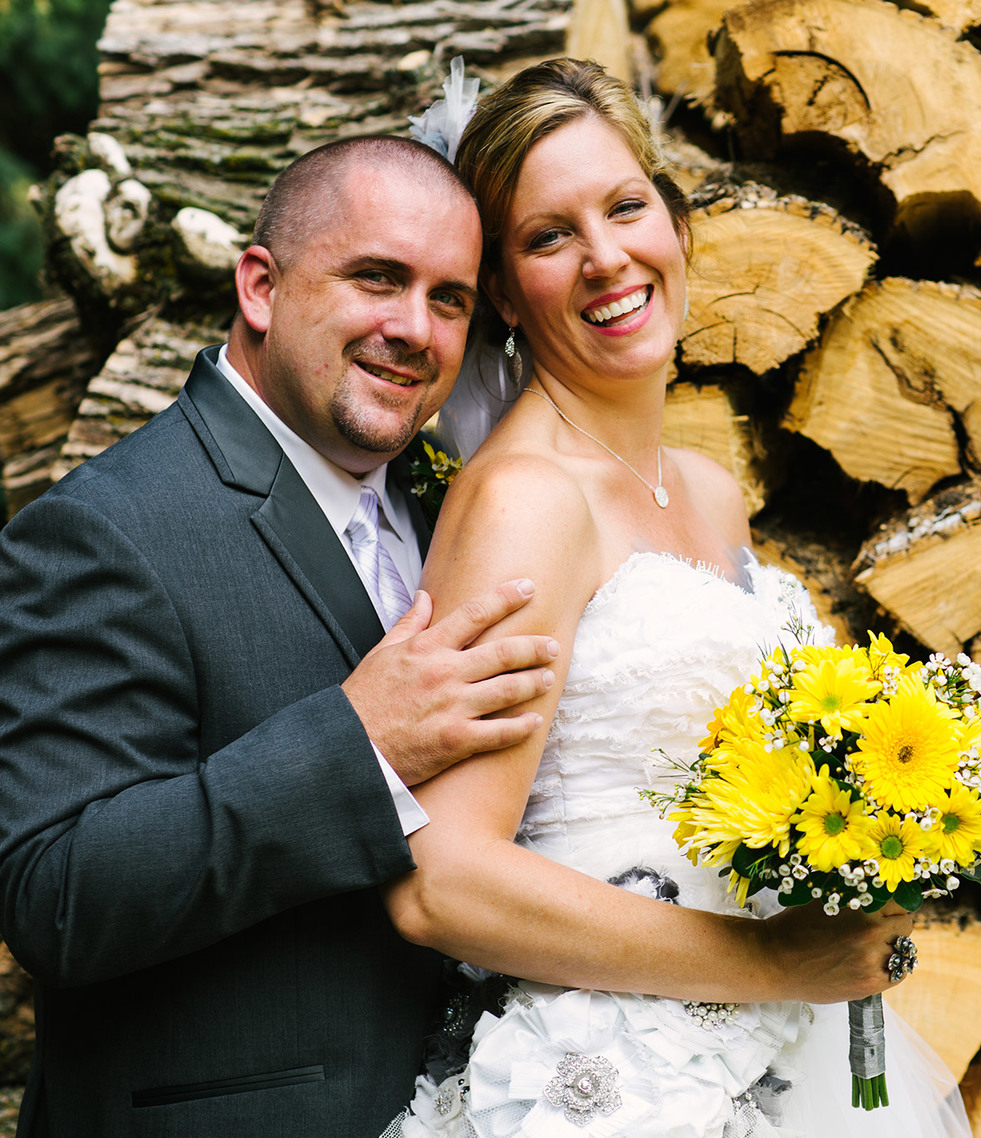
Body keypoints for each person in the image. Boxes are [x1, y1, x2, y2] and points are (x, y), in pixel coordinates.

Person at [377, 59, 968, 1137]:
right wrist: (768, 962)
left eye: (625, 206)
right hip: (619, 1079)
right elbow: (440, 880)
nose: (607, 257)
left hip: (788, 1048)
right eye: (549, 236)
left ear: (677, 224)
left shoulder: (704, 487)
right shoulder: (524, 499)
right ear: (505, 291)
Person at [0, 135, 566, 1135]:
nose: (414, 329)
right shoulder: (106, 526)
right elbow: (56, 895)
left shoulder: (457, 505)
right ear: (260, 286)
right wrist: (360, 747)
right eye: (377, 279)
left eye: (449, 299)